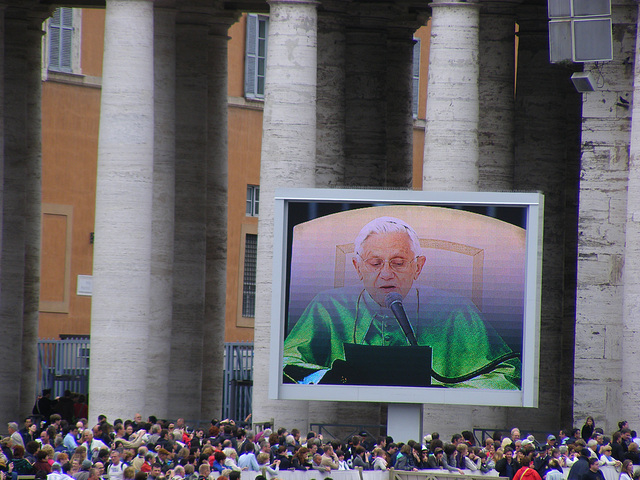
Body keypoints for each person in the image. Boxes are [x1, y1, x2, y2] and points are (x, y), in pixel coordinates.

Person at [282, 216, 521, 389]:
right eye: (375, 263)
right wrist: (329, 377)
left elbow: (508, 373)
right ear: (357, 267)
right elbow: (284, 361)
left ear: (418, 267)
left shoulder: (456, 311)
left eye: (397, 263)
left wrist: (447, 392)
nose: (386, 274)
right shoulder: (327, 307)